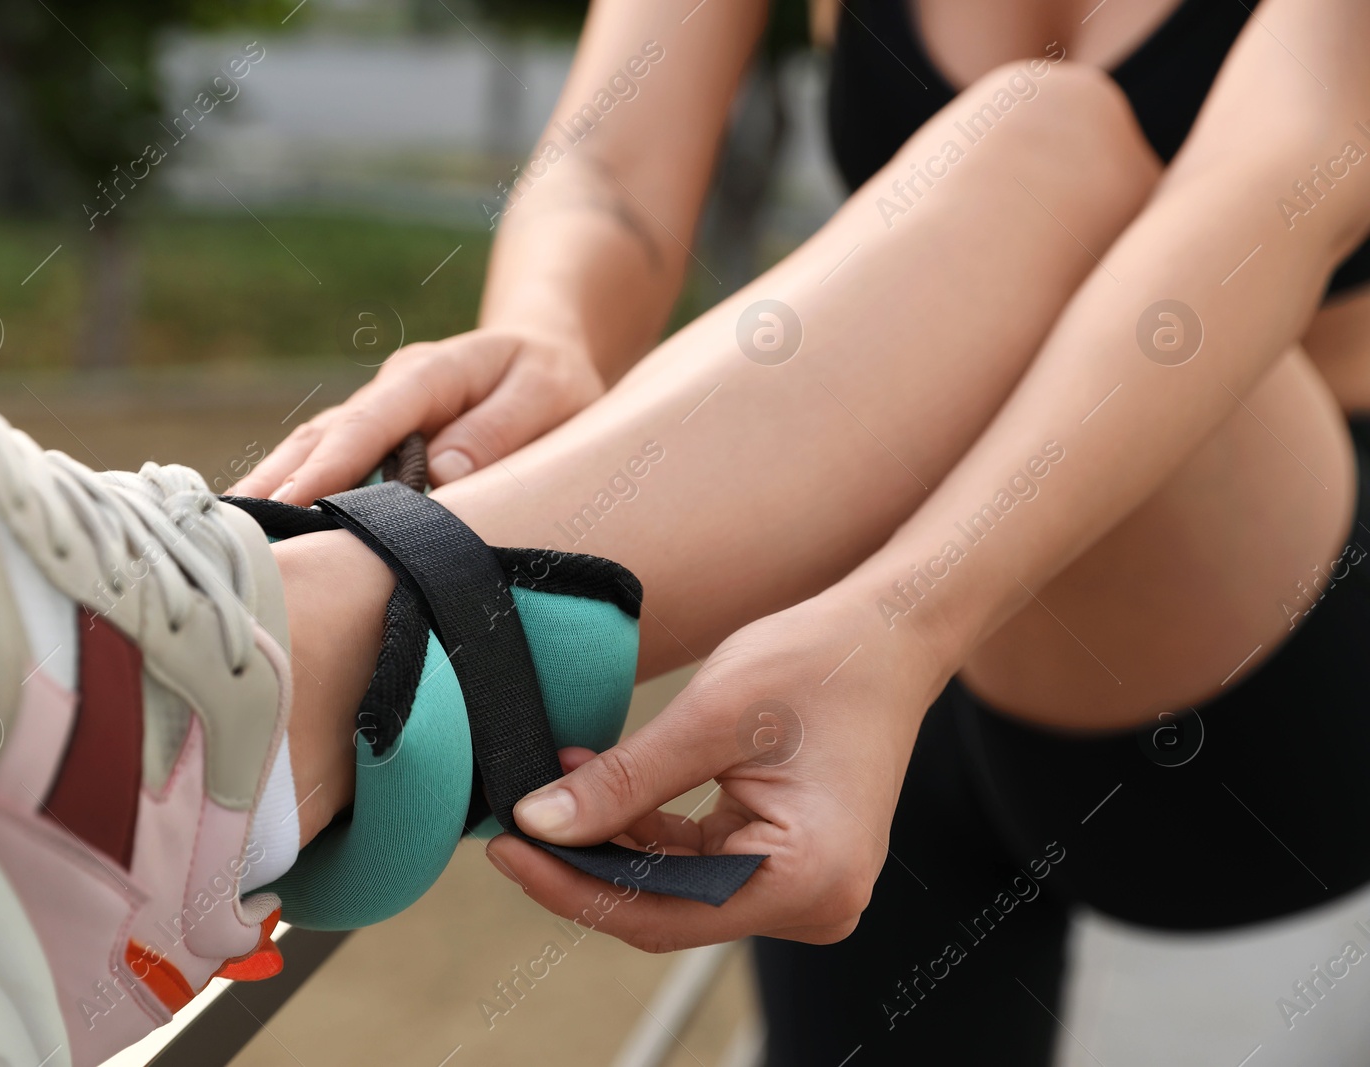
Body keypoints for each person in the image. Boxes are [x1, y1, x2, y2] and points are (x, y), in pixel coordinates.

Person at [230, 0, 1370, 1062]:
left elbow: (1269, 195)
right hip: (865, 638)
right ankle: (276, 669)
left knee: (1060, 140)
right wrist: (548, 331)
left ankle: (265, 676)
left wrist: (905, 619)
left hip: (1262, 634)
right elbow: (610, 166)